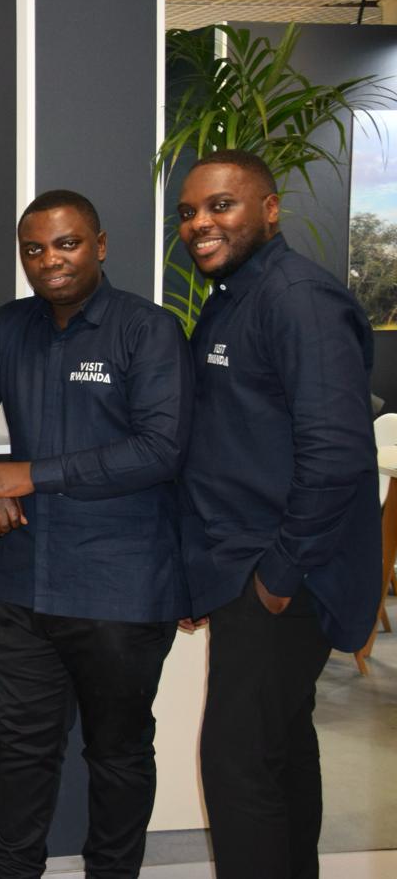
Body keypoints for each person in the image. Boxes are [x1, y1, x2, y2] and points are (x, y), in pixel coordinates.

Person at [0, 189, 191, 879]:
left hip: (119, 587)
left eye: (67, 243)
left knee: (118, 754)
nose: (50, 259)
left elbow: (160, 450)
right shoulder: (9, 327)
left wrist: (30, 476)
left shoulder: (147, 330)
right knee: (22, 749)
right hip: (23, 585)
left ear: (100, 246)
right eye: (35, 249)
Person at [176, 150, 381, 879]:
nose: (200, 223)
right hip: (246, 564)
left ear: (270, 209)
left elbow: (337, 455)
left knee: (237, 762)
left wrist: (278, 575)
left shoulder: (298, 299)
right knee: (281, 746)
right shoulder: (235, 295)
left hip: (284, 576)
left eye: (221, 205)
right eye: (189, 212)